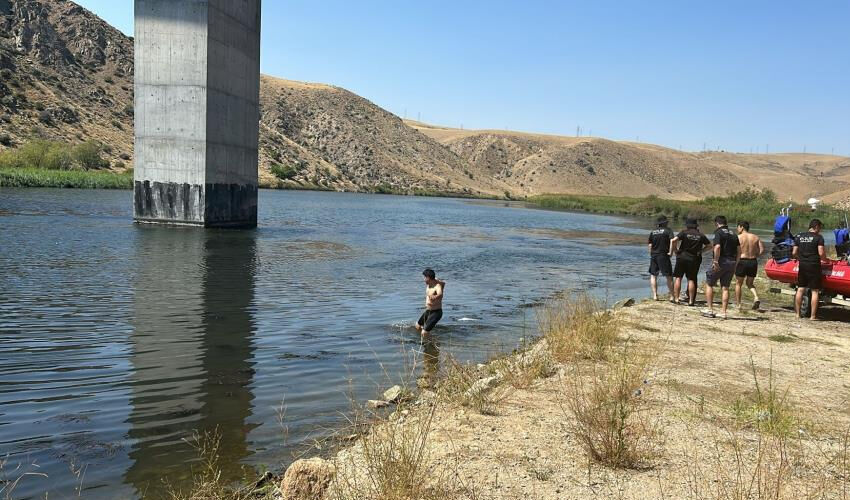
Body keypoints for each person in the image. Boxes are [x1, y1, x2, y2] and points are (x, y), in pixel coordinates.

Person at [702, 215, 740, 319]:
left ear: (717, 223)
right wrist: (735, 263)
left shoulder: (718, 232)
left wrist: (715, 261)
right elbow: (739, 251)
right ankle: (723, 312)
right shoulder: (733, 234)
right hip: (731, 262)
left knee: (709, 284)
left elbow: (717, 247)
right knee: (725, 287)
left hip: (721, 261)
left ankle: (710, 310)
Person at [670, 218, 711, 306]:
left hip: (682, 257)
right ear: (696, 226)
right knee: (691, 279)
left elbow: (673, 240)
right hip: (694, 259)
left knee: (678, 278)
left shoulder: (684, 232)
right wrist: (701, 251)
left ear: (687, 225)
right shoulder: (701, 235)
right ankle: (691, 301)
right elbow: (710, 245)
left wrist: (675, 251)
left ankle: (677, 299)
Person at [793, 219, 827, 320]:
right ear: (816, 227)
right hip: (814, 265)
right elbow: (821, 253)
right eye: (820, 228)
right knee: (815, 291)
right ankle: (812, 316)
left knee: (800, 289)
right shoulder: (819, 238)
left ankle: (798, 314)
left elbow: (794, 252)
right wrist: (825, 260)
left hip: (802, 265)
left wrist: (800, 258)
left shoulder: (799, 236)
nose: (820, 230)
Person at [734, 221, 765, 311]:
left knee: (738, 284)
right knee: (750, 283)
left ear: (742, 227)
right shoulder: (755, 237)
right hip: (753, 261)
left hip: (742, 261)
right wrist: (756, 255)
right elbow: (762, 250)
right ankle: (756, 297)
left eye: (738, 227)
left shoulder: (738, 237)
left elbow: (735, 251)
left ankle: (739, 304)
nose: (737, 229)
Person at [647, 215, 674, 301]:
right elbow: (672, 242)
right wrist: (671, 252)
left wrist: (651, 253)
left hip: (654, 255)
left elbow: (650, 244)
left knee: (653, 275)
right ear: (665, 223)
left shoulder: (653, 232)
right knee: (669, 276)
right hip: (663, 255)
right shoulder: (668, 231)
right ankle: (672, 296)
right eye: (667, 222)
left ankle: (655, 295)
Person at [415, 268, 445, 337]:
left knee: (424, 333)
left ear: (428, 278)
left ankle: (431, 343)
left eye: (425, 277)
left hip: (436, 312)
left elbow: (440, 294)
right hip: (428, 311)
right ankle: (425, 337)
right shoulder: (429, 283)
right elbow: (443, 282)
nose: (424, 279)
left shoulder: (437, 286)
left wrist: (435, 297)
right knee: (417, 326)